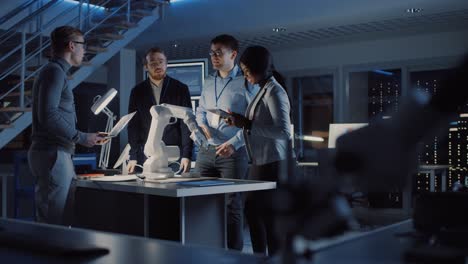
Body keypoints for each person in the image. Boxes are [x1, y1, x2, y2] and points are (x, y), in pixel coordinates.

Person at [28, 26, 106, 225]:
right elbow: (49, 115)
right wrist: (81, 137)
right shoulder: (54, 72)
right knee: (52, 221)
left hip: (57, 153)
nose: (84, 50)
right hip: (53, 154)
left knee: (61, 219)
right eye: (82, 45)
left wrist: (82, 137)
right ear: (72, 46)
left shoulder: (54, 72)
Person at [226, 45, 292, 256]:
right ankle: (259, 258)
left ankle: (272, 259)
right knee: (254, 215)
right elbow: (251, 126)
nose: (245, 75)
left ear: (260, 68)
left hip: (273, 164)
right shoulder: (263, 89)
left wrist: (247, 124)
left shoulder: (275, 91)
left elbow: (284, 131)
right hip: (260, 163)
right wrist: (242, 124)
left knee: (269, 221)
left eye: (247, 70)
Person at [195, 34, 258, 250]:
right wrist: (203, 128)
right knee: (199, 202)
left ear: (233, 54)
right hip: (206, 151)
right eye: (211, 53)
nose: (213, 57)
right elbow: (201, 111)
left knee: (232, 205)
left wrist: (235, 143)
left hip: (233, 152)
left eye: (218, 53)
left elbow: (254, 120)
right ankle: (205, 252)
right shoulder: (208, 81)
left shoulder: (246, 81)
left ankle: (233, 256)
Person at [127, 47, 193, 174]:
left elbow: (186, 124)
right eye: (153, 63)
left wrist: (187, 154)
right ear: (146, 67)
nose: (158, 65)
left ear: (166, 63)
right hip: (147, 154)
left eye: (161, 61)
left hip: (173, 155)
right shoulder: (137, 91)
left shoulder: (180, 89)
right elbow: (133, 126)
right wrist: (133, 156)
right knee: (149, 192)